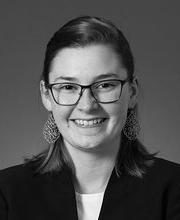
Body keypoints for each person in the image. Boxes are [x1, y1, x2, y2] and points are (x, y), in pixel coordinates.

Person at [0, 15, 180, 220]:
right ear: (46, 95)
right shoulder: (6, 193)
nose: (87, 105)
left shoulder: (174, 189)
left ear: (132, 92)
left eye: (105, 85)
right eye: (68, 87)